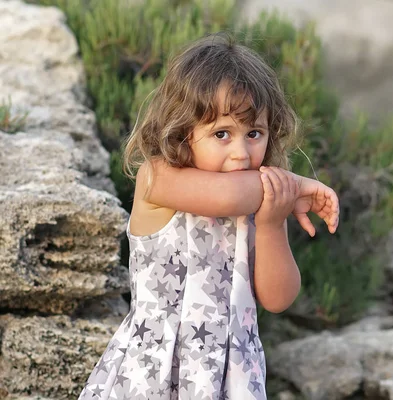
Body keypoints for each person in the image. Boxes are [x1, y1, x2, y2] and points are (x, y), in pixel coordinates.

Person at [78, 33, 340, 400]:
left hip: (230, 379)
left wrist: (270, 224)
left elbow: (278, 298)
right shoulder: (157, 178)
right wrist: (295, 185)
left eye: (254, 133)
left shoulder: (260, 201)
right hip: (152, 373)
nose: (241, 153)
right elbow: (230, 195)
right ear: (184, 133)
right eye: (221, 133)